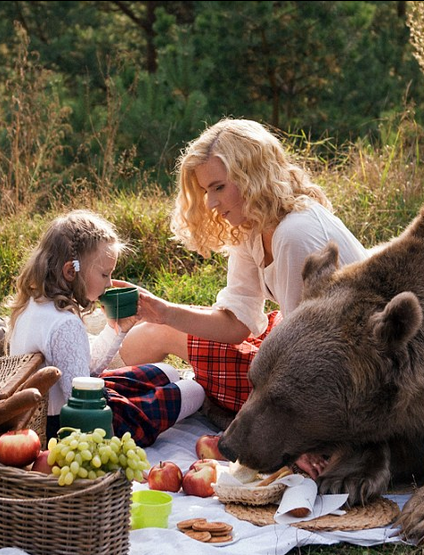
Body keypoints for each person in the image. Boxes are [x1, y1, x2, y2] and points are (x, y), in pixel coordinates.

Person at [118, 118, 368, 423]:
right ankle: (111, 385)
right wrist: (165, 312)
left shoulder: (294, 234)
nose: (210, 203)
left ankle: (103, 393)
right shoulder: (252, 225)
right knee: (158, 330)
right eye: (206, 191)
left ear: (252, 176)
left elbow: (305, 352)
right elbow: (237, 324)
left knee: (162, 337)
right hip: (301, 348)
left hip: (348, 382)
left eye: (219, 187)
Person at [4, 209, 205, 445]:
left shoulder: (32, 304)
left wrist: (116, 329)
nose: (109, 283)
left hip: (66, 407)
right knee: (194, 390)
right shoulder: (65, 324)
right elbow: (82, 402)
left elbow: (82, 372)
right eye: (104, 274)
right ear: (71, 271)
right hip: (76, 425)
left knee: (167, 372)